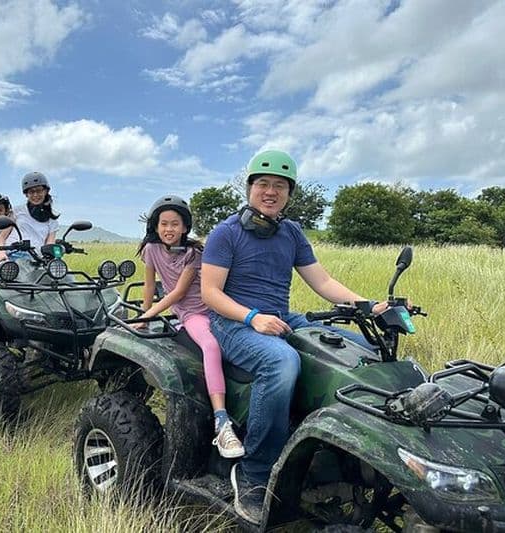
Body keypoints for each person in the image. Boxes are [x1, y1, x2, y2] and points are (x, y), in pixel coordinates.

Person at [200, 150, 387, 525]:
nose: (271, 192)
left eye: (280, 186)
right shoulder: (226, 233)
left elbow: (323, 281)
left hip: (281, 317)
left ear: (289, 193)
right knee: (281, 362)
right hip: (233, 321)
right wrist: (252, 317)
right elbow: (210, 293)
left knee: (366, 349)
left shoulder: (291, 233)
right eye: (263, 184)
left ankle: (353, 455)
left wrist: (369, 306)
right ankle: (254, 475)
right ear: (250, 188)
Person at [134, 195, 245, 459]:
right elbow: (156, 287)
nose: (169, 229)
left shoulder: (193, 254)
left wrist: (149, 314)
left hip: (215, 308)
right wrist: (144, 315)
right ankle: (221, 420)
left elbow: (180, 289)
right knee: (210, 346)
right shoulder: (151, 250)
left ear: (185, 227)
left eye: (175, 224)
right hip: (193, 313)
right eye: (164, 224)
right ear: (155, 226)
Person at [0, 171, 60, 268]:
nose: (35, 195)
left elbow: (49, 245)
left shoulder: (52, 220)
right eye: (31, 192)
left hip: (36, 260)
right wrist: (1, 253)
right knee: (6, 272)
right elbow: (2, 237)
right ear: (26, 194)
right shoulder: (17, 211)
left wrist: (51, 257)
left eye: (39, 190)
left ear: (45, 191)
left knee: (63, 274)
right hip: (11, 254)